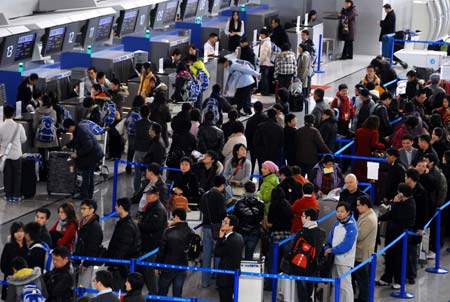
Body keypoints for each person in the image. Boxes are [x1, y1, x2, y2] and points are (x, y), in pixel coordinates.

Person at [377, 184, 416, 289]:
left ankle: (399, 280)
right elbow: (390, 214)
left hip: (401, 236)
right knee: (390, 256)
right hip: (392, 234)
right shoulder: (402, 203)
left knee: (399, 259)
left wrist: (395, 203)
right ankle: (387, 278)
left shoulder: (409, 205)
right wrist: (379, 218)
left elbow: (396, 214)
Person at [290, 208, 326, 302]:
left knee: (302, 290)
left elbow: (293, 248)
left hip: (301, 265)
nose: (301, 218)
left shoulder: (302, 232)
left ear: (308, 218)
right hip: (314, 266)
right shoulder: (322, 233)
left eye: (302, 216)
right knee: (310, 289)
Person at [136, 187, 168, 294]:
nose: (147, 197)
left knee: (149, 273)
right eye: (147, 195)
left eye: (149, 195)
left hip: (152, 246)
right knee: (143, 271)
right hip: (146, 245)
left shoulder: (158, 209)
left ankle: (153, 296)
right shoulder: (150, 207)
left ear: (156, 196)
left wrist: (139, 224)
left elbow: (154, 226)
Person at [324, 202, 358, 302]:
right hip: (334, 259)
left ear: (348, 212)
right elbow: (330, 240)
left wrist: (332, 250)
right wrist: (327, 248)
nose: (339, 213)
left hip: (345, 261)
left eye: (342, 211)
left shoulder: (352, 226)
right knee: (335, 284)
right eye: (338, 211)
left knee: (345, 285)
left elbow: (347, 245)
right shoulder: (337, 223)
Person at [157, 208, 194, 297]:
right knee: (177, 294)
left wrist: (157, 265)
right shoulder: (190, 232)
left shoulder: (168, 231)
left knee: (162, 292)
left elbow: (162, 250)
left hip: (167, 266)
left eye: (173, 217)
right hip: (182, 266)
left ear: (177, 217)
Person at [63, 118, 104, 200]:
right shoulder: (78, 130)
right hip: (94, 154)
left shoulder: (82, 132)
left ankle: (84, 195)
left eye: (68, 128)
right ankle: (88, 195)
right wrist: (67, 146)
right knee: (89, 175)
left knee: (87, 175)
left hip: (93, 155)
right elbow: (75, 141)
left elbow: (88, 145)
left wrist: (77, 154)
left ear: (71, 126)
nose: (68, 131)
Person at [199, 175, 227, 288]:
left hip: (206, 226)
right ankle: (217, 280)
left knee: (206, 255)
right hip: (217, 227)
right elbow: (222, 213)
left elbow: (201, 208)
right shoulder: (220, 196)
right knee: (218, 253)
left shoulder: (205, 195)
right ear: (222, 185)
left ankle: (204, 282)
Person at [107, 198, 141, 291]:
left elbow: (123, 247)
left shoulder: (126, 226)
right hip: (123, 265)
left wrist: (114, 264)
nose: (115, 207)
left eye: (116, 206)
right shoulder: (128, 223)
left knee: (119, 290)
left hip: (121, 267)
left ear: (121, 207)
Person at [74, 199, 103, 290]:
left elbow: (93, 247)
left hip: (87, 261)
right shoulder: (83, 223)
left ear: (92, 210)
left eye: (84, 208)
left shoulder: (94, 227)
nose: (82, 211)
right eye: (81, 208)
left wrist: (86, 263)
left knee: (84, 286)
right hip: (81, 259)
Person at [0, 106, 27, 202]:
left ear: (4, 114)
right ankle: (16, 196)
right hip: (16, 154)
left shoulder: (1, 126)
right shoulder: (18, 126)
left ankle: (8, 196)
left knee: (7, 175)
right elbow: (24, 139)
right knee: (17, 175)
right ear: (13, 114)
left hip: (5, 155)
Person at [215, 215, 244, 302]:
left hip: (225, 277)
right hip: (233, 276)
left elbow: (217, 253)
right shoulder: (239, 237)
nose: (222, 224)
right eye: (223, 222)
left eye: (225, 223)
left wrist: (220, 238)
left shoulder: (230, 240)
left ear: (231, 226)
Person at [353, 196, 377, 302]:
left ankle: (364, 299)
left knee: (363, 280)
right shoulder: (365, 215)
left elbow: (360, 236)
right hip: (360, 252)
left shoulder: (369, 219)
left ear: (365, 206)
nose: (357, 207)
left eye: (358, 205)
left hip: (362, 254)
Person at [233, 181, 265, 260]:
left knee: (237, 255)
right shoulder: (260, 204)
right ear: (255, 190)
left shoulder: (239, 203)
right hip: (254, 232)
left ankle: (237, 271)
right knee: (249, 256)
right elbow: (261, 217)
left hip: (241, 231)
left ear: (244, 189)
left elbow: (235, 217)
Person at [32, 95, 59, 180]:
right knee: (52, 155)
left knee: (42, 156)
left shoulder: (37, 111)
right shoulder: (53, 111)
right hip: (51, 138)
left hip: (40, 139)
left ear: (42, 101)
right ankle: (53, 172)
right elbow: (54, 123)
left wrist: (36, 133)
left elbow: (34, 125)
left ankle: (43, 174)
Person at [0, 222, 28, 300]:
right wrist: (13, 272)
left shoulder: (28, 246)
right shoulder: (8, 246)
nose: (19, 234)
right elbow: (3, 265)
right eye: (16, 231)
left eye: (21, 231)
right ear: (13, 233)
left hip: (25, 279)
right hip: (11, 280)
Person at [354, 115, 385, 181]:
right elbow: (374, 144)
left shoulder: (358, 130)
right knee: (369, 177)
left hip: (358, 155)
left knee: (358, 175)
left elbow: (356, 144)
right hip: (369, 157)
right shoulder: (374, 132)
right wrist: (383, 145)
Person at [133, 105, 155, 192]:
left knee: (137, 173)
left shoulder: (136, 124)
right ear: (149, 113)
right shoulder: (152, 124)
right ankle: (147, 191)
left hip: (138, 150)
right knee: (148, 173)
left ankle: (137, 191)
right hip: (148, 151)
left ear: (140, 113)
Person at [245, 101, 268, 172]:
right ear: (262, 108)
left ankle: (250, 178)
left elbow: (247, 133)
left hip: (253, 145)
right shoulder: (266, 119)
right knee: (263, 164)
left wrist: (247, 146)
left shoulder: (250, 120)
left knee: (252, 162)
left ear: (254, 109)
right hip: (264, 145)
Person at [258, 28, 274, 97]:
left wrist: (259, 62)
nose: (260, 35)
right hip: (266, 63)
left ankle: (264, 92)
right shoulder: (266, 41)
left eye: (261, 34)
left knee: (264, 79)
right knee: (264, 78)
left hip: (265, 63)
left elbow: (263, 55)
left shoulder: (266, 43)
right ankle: (264, 91)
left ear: (264, 35)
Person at [297, 43, 312, 107]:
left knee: (303, 87)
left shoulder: (305, 56)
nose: (298, 49)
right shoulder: (302, 55)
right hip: (302, 74)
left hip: (303, 75)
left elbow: (305, 67)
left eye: (299, 48)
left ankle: (303, 100)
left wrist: (302, 77)